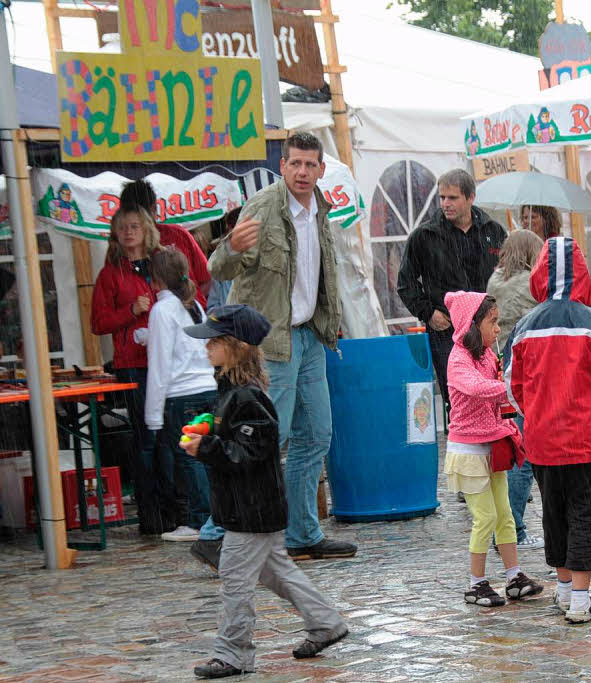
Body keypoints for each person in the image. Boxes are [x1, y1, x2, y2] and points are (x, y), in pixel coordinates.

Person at [203, 132, 354, 567]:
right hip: (271, 340)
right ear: (282, 167)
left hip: (310, 337)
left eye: (311, 164)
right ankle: (217, 533)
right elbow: (219, 267)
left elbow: (321, 273)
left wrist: (332, 321)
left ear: (321, 169)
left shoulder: (320, 208)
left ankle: (302, 533)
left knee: (316, 434)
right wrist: (230, 246)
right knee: (268, 436)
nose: (303, 172)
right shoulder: (264, 207)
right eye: (295, 164)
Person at [180, 305, 348, 679]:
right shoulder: (233, 394)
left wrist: (203, 448)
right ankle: (325, 623)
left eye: (213, 342)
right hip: (253, 509)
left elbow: (248, 454)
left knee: (235, 581)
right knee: (278, 573)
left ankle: (233, 654)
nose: (206, 348)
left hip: (251, 512)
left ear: (235, 347)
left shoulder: (247, 398)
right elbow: (238, 442)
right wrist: (208, 428)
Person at [505, 236, 591, 624]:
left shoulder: (523, 328)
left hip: (543, 443)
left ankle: (563, 592)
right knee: (586, 515)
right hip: (587, 444)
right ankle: (581, 603)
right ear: (583, 275)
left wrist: (535, 415)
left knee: (555, 515)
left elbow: (514, 385)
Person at [442, 290, 544, 607]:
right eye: (493, 322)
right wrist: (513, 387)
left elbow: (498, 397)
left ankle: (514, 577)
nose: (498, 329)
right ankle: (476, 584)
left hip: (492, 447)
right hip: (468, 453)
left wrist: (518, 393)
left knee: (505, 515)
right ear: (472, 325)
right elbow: (477, 389)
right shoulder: (458, 360)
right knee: (484, 517)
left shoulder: (486, 355)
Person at [397, 169, 506, 414]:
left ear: (470, 197)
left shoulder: (493, 232)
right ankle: (462, 448)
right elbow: (405, 283)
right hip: (447, 331)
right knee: (457, 400)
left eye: (453, 198)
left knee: (494, 393)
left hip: (487, 329)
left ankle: (495, 447)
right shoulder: (424, 236)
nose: (445, 203)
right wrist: (428, 313)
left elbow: (507, 276)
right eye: (442, 197)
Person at [91, 207, 169, 535]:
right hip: (133, 365)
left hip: (166, 361)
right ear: (115, 234)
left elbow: (188, 295)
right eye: (122, 227)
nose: (128, 232)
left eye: (134, 226)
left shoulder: (161, 265)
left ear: (146, 229)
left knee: (170, 437)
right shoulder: (110, 274)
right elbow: (98, 323)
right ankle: (151, 514)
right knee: (146, 438)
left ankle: (176, 510)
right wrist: (130, 311)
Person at [144, 247, 217, 542]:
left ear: (155, 279)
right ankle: (214, 516)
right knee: (206, 456)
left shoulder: (161, 310)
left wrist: (152, 416)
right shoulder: (194, 305)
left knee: (190, 458)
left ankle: (201, 520)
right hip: (206, 387)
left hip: (181, 395)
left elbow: (160, 364)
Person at [486, 230, 544, 550]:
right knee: (525, 454)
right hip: (529, 368)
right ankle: (513, 528)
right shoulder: (529, 286)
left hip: (504, 366)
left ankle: (505, 525)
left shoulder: (495, 282)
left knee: (512, 448)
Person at [120, 179, 212, 304]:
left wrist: (185, 307)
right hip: (155, 320)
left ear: (153, 210)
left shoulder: (178, 234)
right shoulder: (122, 252)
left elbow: (206, 279)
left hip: (192, 319)